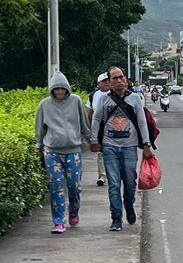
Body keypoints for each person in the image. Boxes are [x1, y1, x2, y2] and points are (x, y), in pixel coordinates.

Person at [91, 66, 157, 232]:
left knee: (129, 183)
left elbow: (142, 122)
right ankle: (116, 218)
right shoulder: (104, 100)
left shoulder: (135, 98)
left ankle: (129, 205)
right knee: (113, 184)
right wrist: (93, 140)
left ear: (126, 79)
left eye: (121, 77)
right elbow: (96, 119)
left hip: (129, 147)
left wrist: (147, 145)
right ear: (110, 82)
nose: (119, 80)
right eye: (115, 78)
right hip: (109, 147)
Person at [36, 72, 89, 235]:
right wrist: (39, 146)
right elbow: (40, 128)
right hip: (52, 151)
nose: (59, 92)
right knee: (56, 186)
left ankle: (74, 212)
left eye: (62, 89)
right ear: (52, 90)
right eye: (56, 89)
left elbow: (83, 122)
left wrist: (91, 139)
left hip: (73, 150)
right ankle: (58, 221)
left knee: (74, 186)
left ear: (67, 89)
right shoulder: (44, 105)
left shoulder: (76, 101)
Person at [89, 72, 111, 186]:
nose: (107, 83)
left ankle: (113, 173)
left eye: (108, 80)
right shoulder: (93, 95)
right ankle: (102, 175)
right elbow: (90, 112)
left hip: (112, 126)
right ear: (98, 83)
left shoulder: (114, 94)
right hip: (99, 127)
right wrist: (90, 130)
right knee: (101, 151)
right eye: (104, 81)